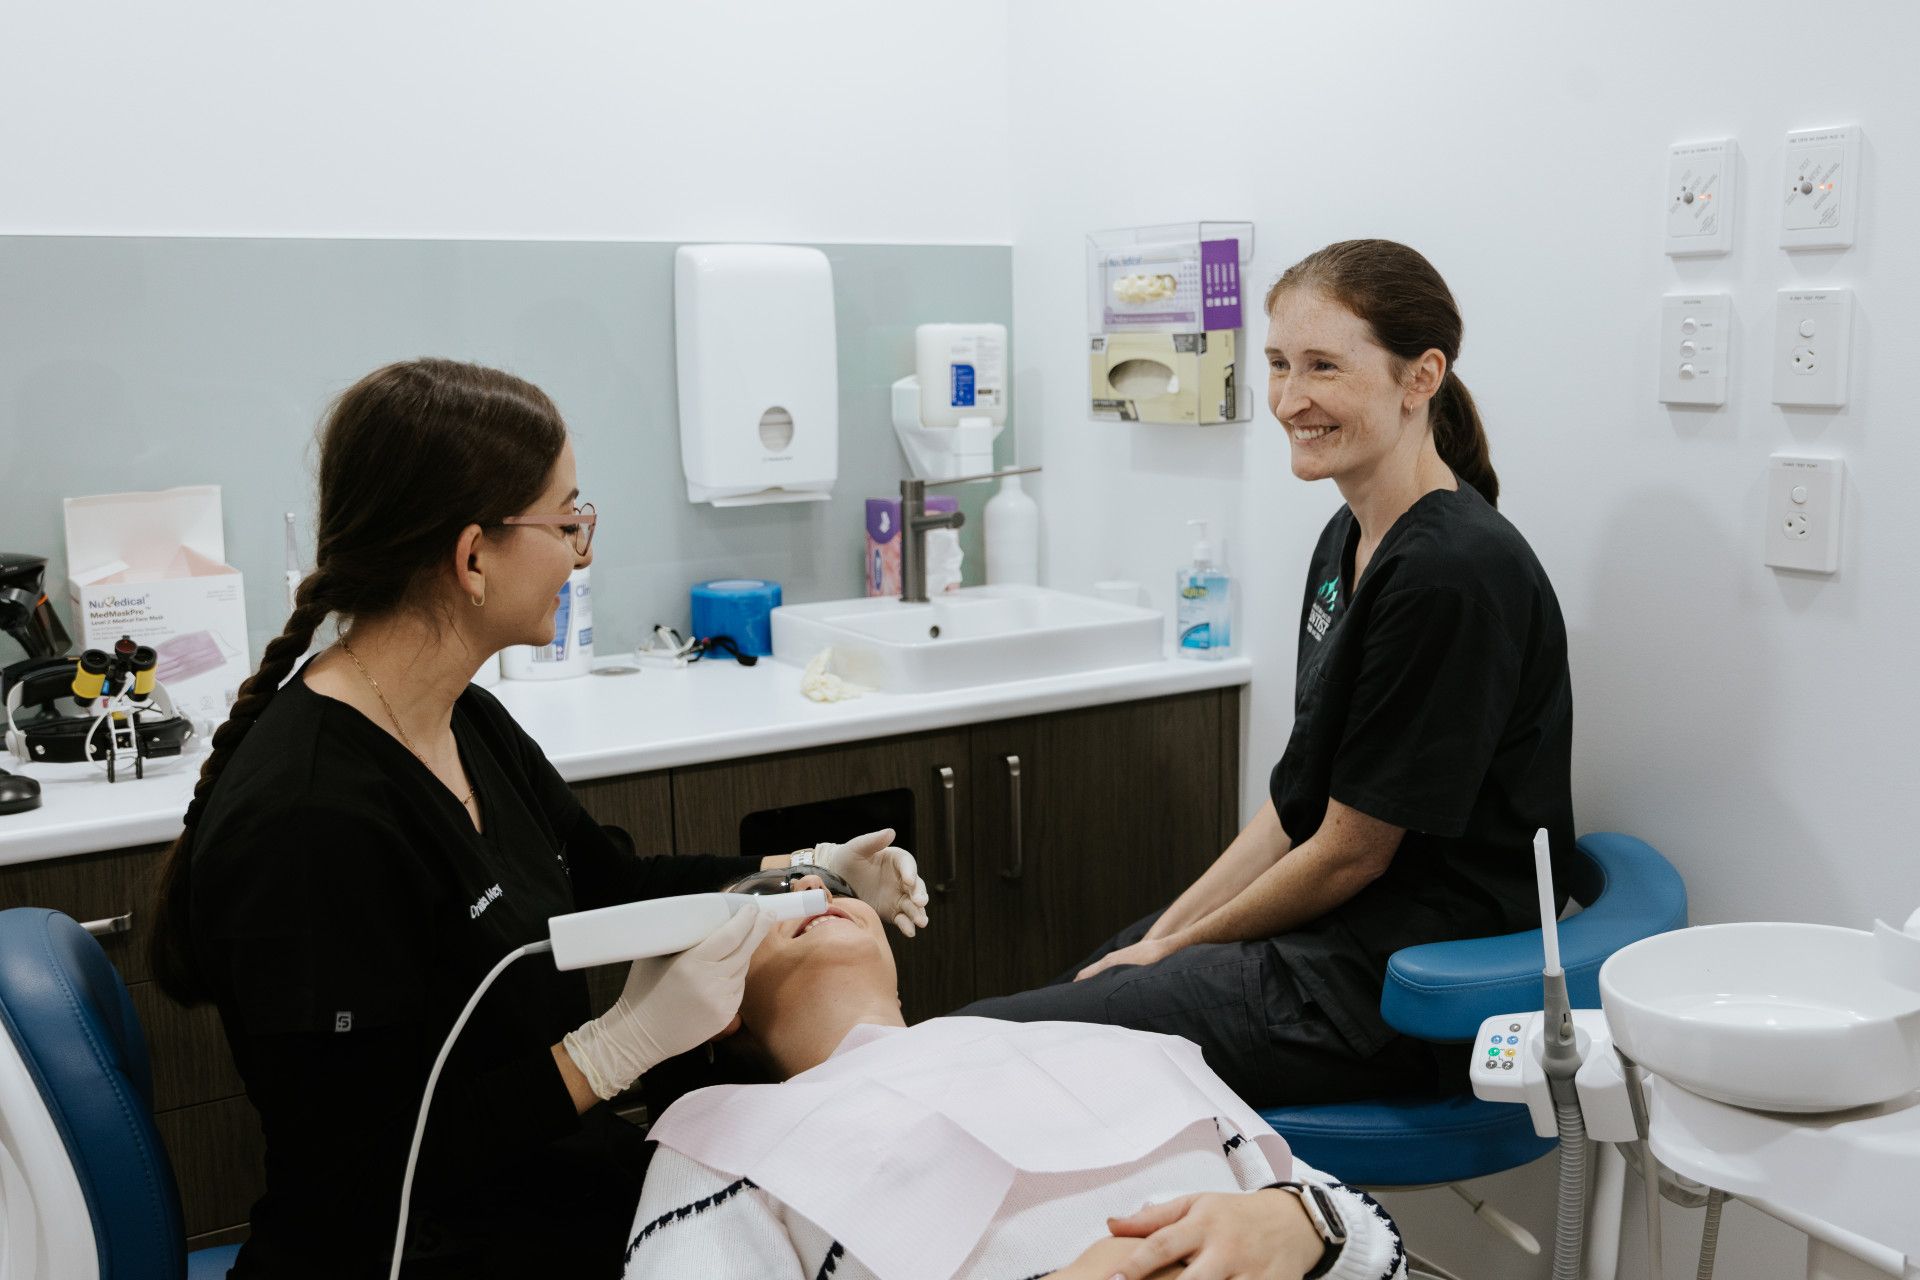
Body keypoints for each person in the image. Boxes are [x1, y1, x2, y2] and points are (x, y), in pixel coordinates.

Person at [145, 358, 931, 1279]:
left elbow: (615, 882)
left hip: (541, 1193)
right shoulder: (309, 822)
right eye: (566, 523)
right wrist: (614, 1049)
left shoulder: (459, 717)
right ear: (472, 555)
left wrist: (812, 867)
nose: (581, 553)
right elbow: (365, 1168)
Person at [960, 239, 1576, 1109]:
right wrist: (1167, 936)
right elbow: (1296, 814)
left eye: (1322, 366)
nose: (1290, 400)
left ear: (1420, 376)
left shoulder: (1453, 574)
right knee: (1076, 989)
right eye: (1280, 364)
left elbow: (1349, 855)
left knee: (1005, 1052)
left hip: (1397, 988)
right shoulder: (1350, 541)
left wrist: (1174, 955)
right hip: (1333, 939)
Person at [626, 876, 1408, 1280]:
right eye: (762, 904)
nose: (812, 891)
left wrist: (1300, 1226)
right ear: (719, 1009)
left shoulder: (1092, 1043)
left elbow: (1378, 1241)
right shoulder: (723, 1143)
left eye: (827, 884)